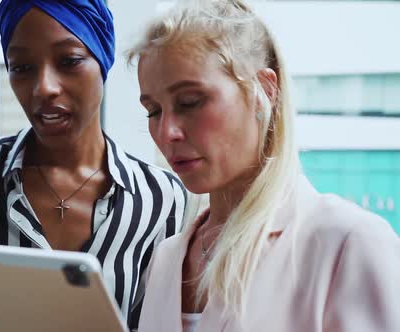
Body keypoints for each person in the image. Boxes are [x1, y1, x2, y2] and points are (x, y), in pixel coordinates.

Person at [0, 1, 187, 331]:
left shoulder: (162, 199)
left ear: (103, 59)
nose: (44, 88)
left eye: (68, 61)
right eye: (22, 67)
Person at [126, 0, 400, 331]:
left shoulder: (349, 243)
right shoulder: (166, 259)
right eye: (153, 111)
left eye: (190, 102)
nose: (167, 132)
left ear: (265, 90)